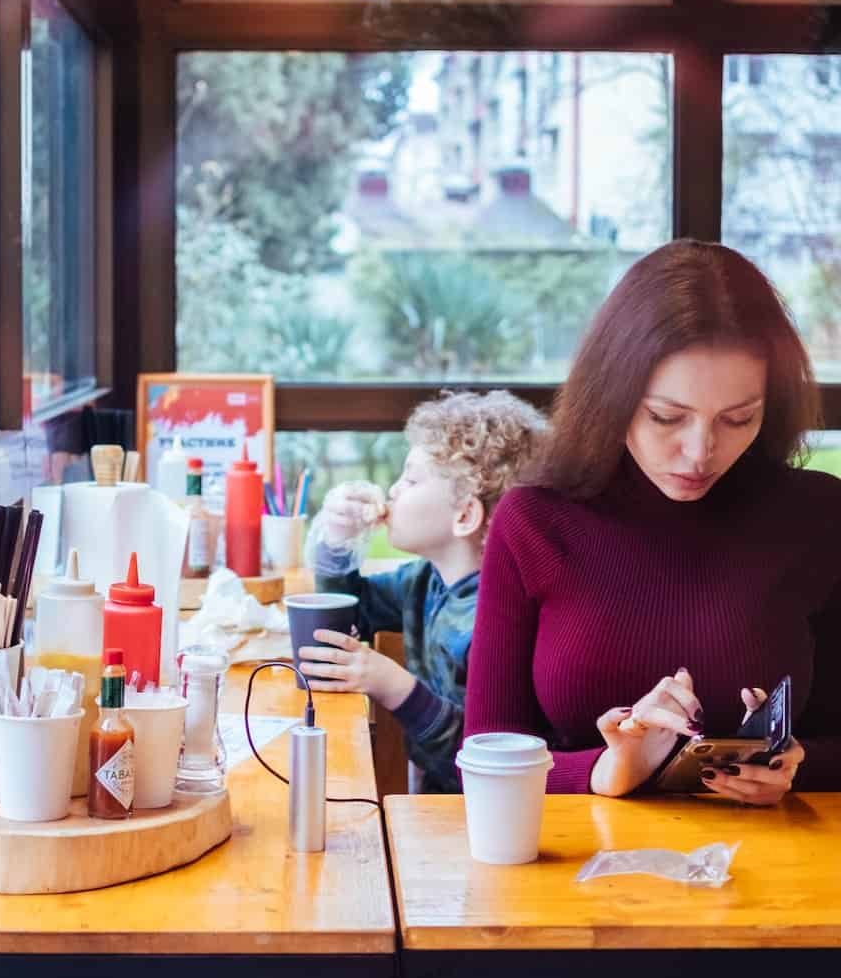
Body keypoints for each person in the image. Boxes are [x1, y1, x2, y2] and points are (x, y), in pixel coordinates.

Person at [464, 239, 841, 804]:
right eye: (667, 416)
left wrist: (796, 767)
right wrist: (608, 771)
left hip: (780, 873)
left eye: (738, 419)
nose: (700, 452)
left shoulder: (817, 515)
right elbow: (486, 752)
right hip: (574, 870)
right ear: (612, 396)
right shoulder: (536, 520)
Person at [298, 390, 547, 792]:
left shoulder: (494, 622)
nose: (393, 491)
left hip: (487, 813)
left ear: (465, 515)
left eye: (411, 480)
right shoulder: (424, 580)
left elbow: (483, 765)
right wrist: (337, 540)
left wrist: (393, 685)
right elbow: (349, 614)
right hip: (438, 802)